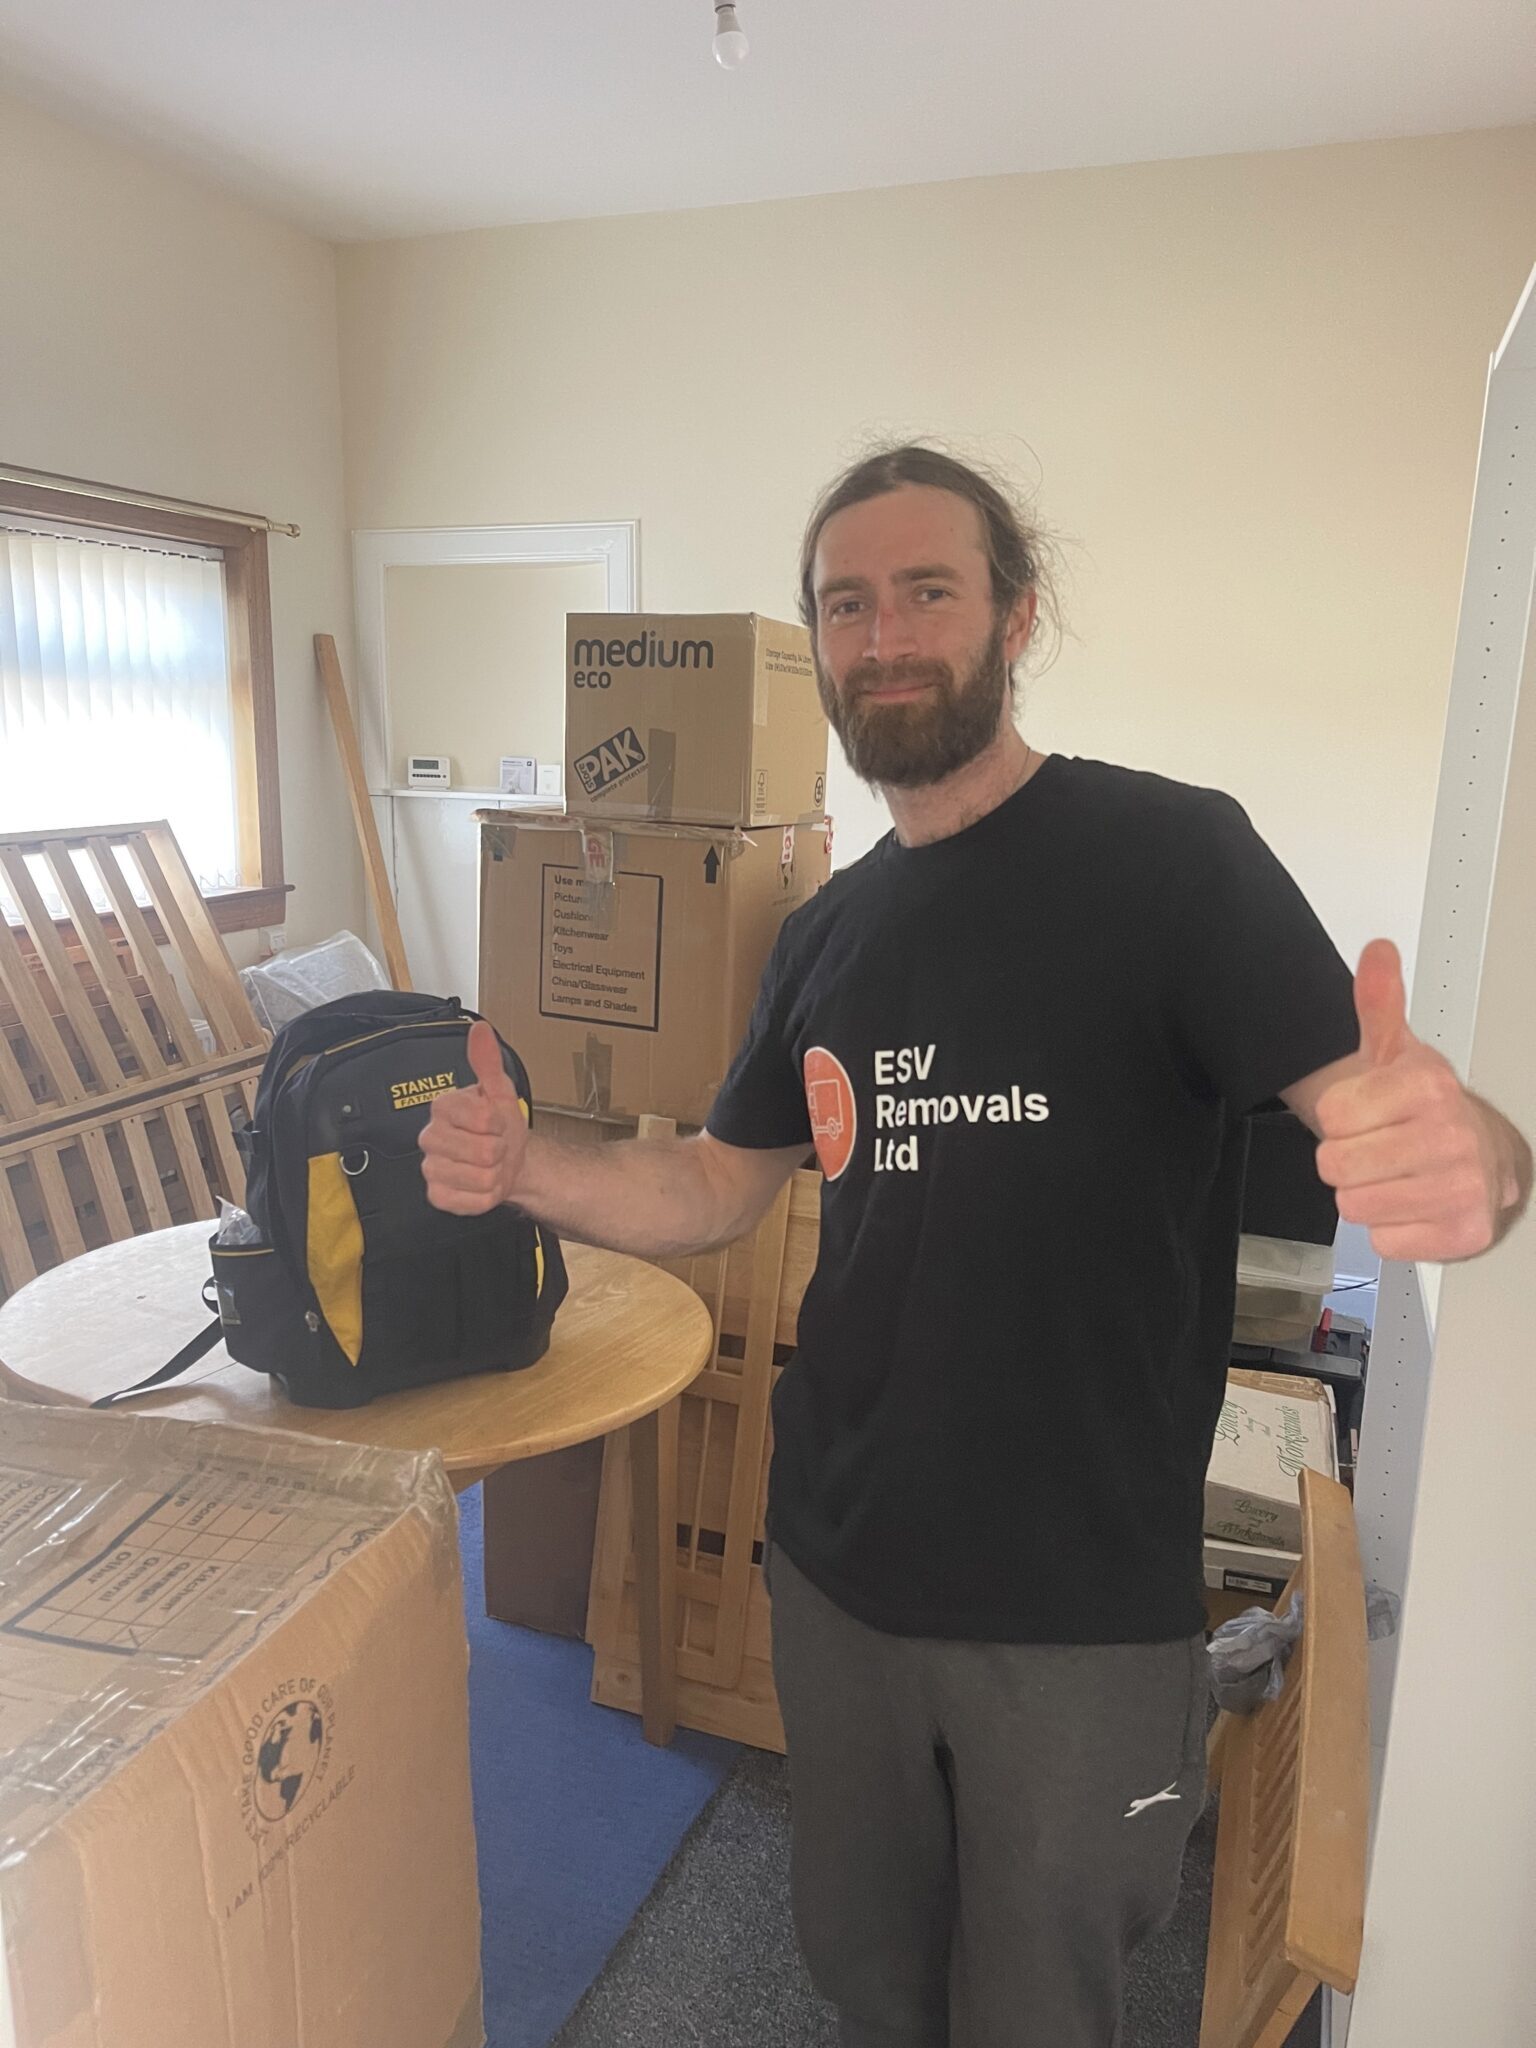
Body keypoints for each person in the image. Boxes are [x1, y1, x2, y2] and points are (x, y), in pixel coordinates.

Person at [421, 445, 1531, 2047]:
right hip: (839, 1569)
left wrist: (1480, 1162)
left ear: (1018, 614)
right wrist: (531, 1167)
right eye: (848, 606)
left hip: (1081, 1610)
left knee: (1041, 2006)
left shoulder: (1172, 862)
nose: (886, 637)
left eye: (927, 591)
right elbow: (722, 1187)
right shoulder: (826, 935)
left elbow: (1387, 1107)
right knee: (869, 1977)